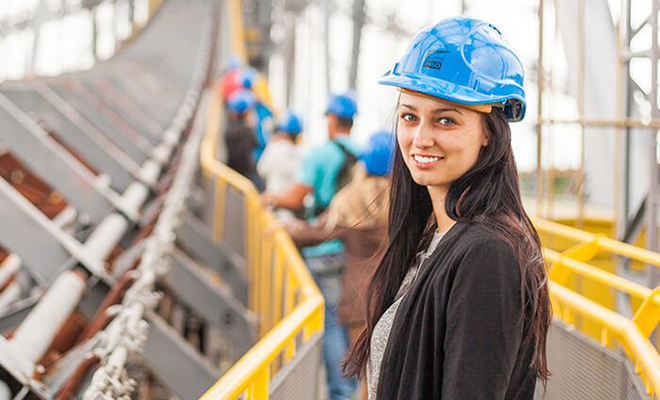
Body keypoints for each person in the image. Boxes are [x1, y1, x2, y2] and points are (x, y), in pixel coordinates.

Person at [342, 17, 552, 400]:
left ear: (490, 132)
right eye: (409, 116)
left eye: (446, 120)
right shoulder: (433, 237)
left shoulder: (488, 255)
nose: (421, 138)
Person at [262, 93, 360, 400]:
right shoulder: (363, 154)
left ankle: (341, 391)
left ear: (331, 119)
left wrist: (270, 199)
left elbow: (295, 197)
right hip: (353, 249)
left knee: (330, 323)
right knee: (346, 320)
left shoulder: (320, 155)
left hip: (321, 248)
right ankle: (355, 387)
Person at [285, 130, 394, 400]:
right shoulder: (406, 202)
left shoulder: (351, 199)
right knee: (385, 378)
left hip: (358, 300)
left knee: (366, 379)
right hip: (394, 296)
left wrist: (285, 228)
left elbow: (315, 233)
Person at [257, 110, 304, 221]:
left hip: (272, 205)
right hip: (293, 211)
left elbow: (261, 170)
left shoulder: (274, 148)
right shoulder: (302, 153)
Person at [224, 89, 263, 190]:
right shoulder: (246, 131)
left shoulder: (230, 127)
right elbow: (257, 144)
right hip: (245, 174)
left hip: (233, 171)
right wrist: (252, 127)